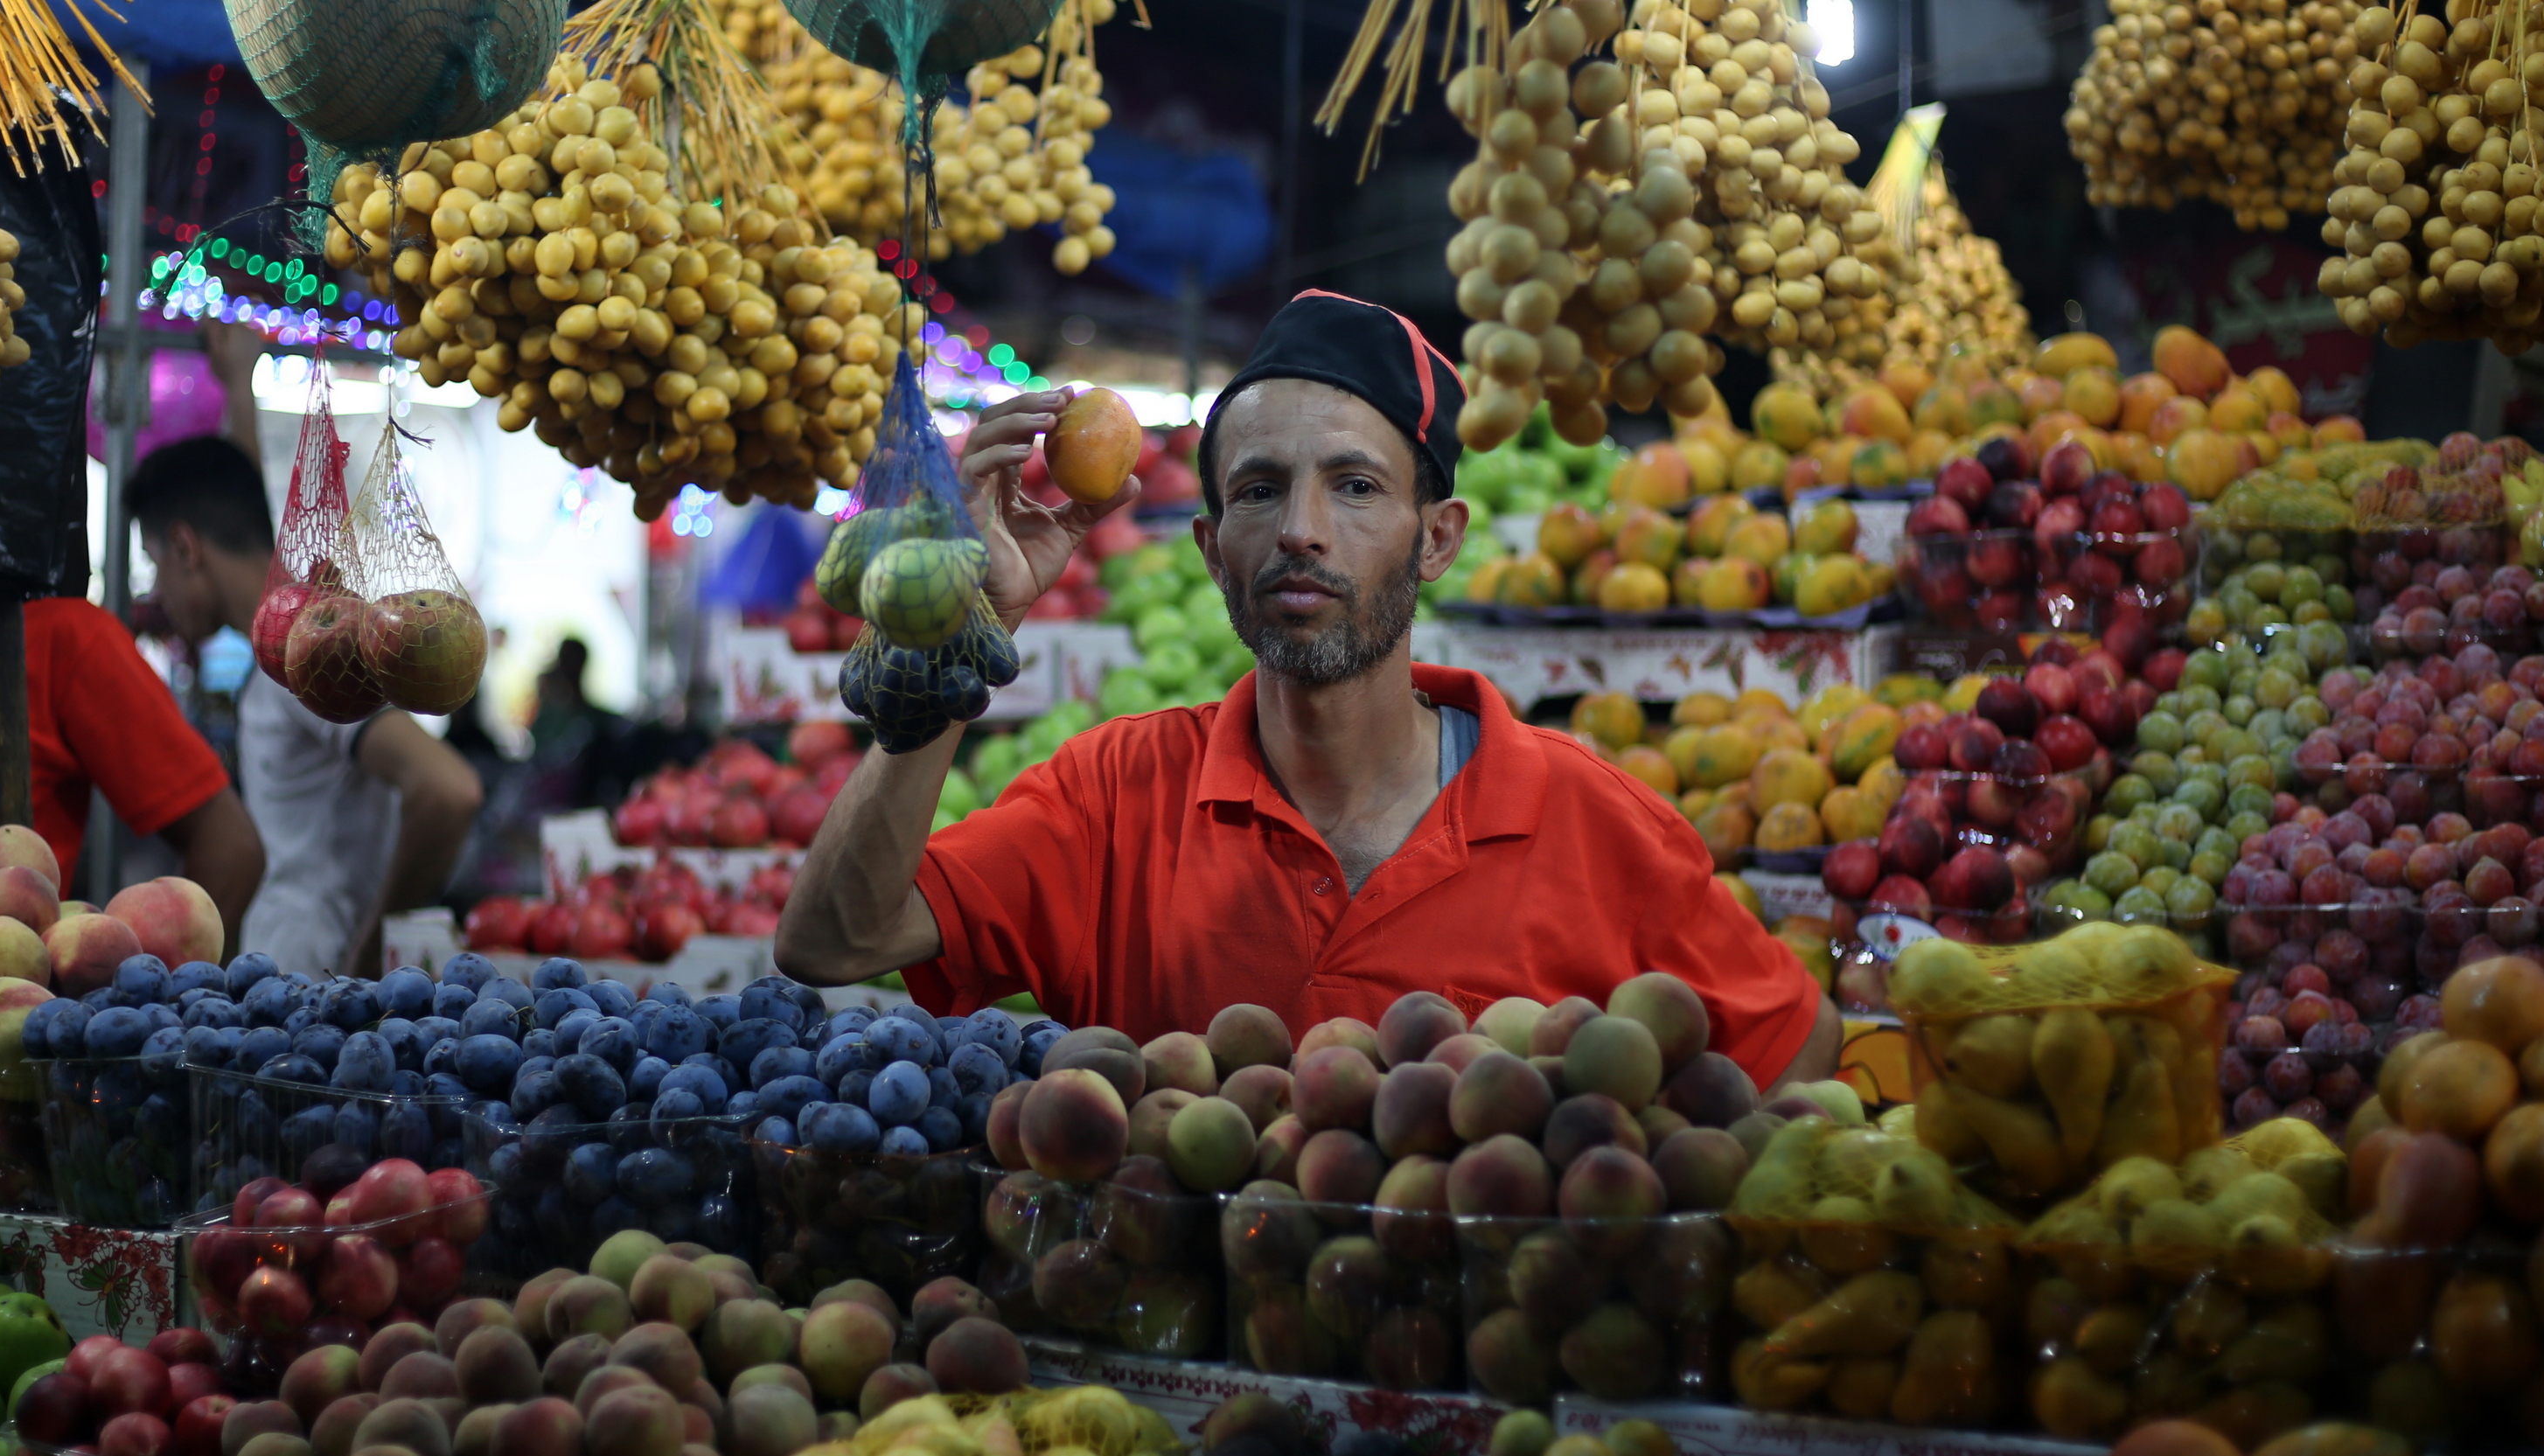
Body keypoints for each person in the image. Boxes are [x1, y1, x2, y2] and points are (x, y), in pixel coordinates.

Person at [777, 290, 1839, 1085]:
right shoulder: (1112, 795)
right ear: (1211, 549)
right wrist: (963, 627)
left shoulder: (1592, 823)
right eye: (1258, 490)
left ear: (1436, 539)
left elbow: (1796, 1046)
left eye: (1354, 485)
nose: (1299, 529)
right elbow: (833, 939)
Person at [125, 435, 486, 978]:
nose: (158, 593)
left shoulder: (309, 659)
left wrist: (369, 952)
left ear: (184, 548)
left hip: (320, 980)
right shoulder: (288, 655)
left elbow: (448, 789)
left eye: (154, 564)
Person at [19, 593, 267, 946]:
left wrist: (160, 976)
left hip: (18, 970)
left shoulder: (63, 634)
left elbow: (231, 849)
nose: (160, 588)